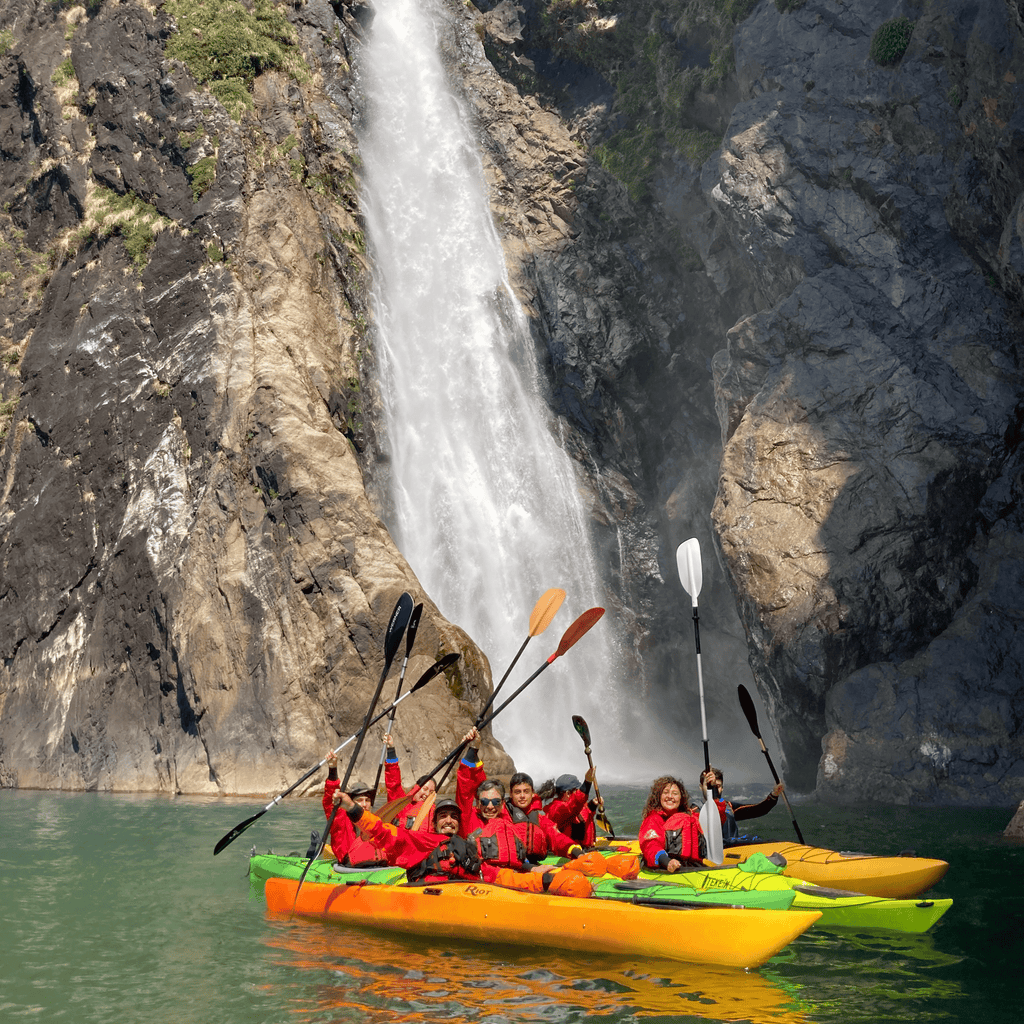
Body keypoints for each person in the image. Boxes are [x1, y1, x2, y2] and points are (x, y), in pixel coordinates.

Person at [332, 789, 592, 896]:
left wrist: (539, 878)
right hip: (431, 895)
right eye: (443, 817)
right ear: (434, 823)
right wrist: (353, 810)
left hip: (468, 892)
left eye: (453, 817)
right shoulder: (419, 841)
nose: (449, 821)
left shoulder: (468, 846)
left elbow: (492, 874)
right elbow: (382, 831)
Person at [322, 752, 388, 867]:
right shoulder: (342, 820)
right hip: (351, 868)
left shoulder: (376, 821)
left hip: (377, 867)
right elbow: (331, 801)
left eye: (367, 800)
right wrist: (333, 769)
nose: (364, 804)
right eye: (359, 800)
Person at [638, 775, 706, 872]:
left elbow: (716, 822)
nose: (670, 797)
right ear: (659, 796)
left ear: (681, 798)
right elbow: (651, 846)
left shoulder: (690, 817)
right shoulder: (653, 820)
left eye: (675, 793)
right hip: (666, 867)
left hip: (692, 866)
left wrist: (712, 789)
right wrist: (666, 862)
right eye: (665, 793)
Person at [697, 766, 785, 841]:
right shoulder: (695, 810)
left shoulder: (728, 806)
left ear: (722, 788)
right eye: (709, 786)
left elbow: (758, 810)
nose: (714, 790)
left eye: (717, 786)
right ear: (701, 787)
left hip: (731, 852)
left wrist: (774, 794)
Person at [383, 732, 437, 831]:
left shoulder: (436, 813)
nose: (426, 794)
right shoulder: (402, 806)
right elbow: (393, 784)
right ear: (415, 788)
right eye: (424, 789)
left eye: (431, 792)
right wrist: (391, 750)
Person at [543, 769, 603, 846]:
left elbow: (581, 812)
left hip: (585, 849)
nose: (579, 791)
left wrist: (592, 805)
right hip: (569, 853)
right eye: (577, 790)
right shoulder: (557, 810)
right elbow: (574, 804)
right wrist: (587, 782)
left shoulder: (573, 807)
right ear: (568, 793)